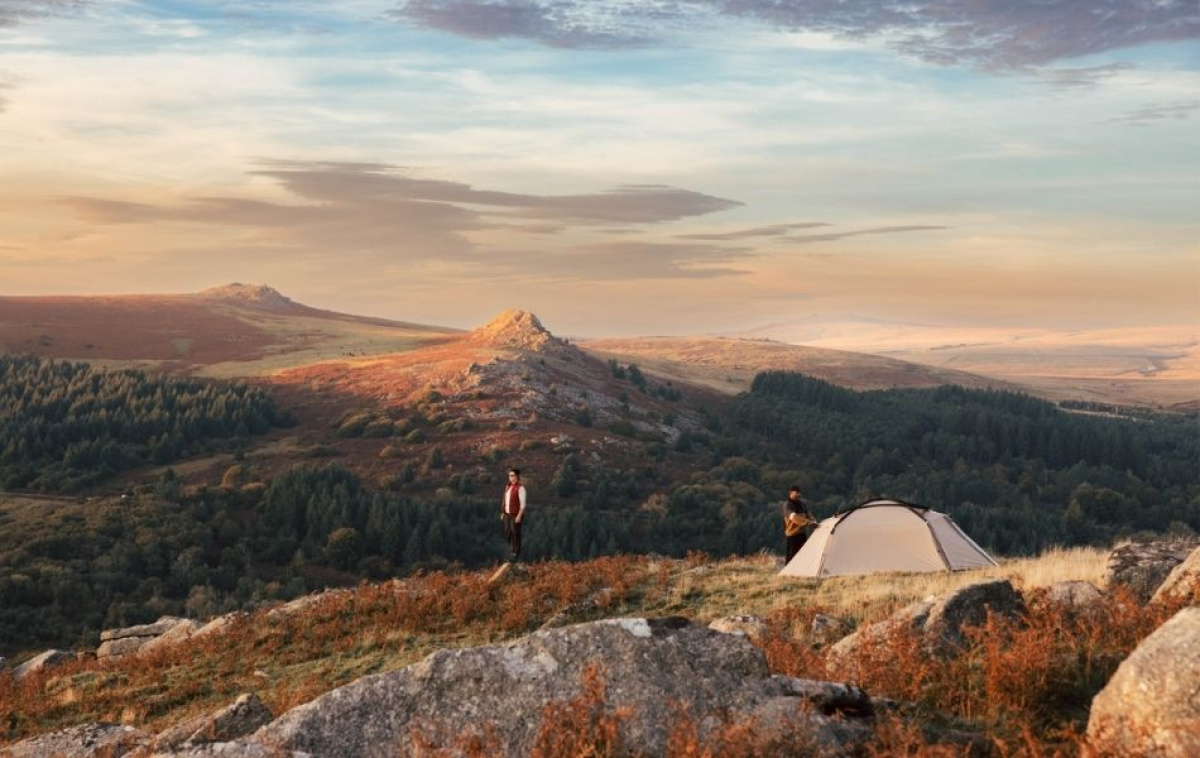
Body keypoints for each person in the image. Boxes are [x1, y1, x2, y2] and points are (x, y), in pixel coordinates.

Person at [501, 468, 527, 562]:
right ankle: (512, 550)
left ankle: (515, 553)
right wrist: (503, 512)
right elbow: (505, 501)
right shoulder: (507, 487)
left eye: (512, 475)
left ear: (517, 476)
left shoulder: (521, 488)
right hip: (507, 514)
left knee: (516, 533)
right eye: (509, 475)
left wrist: (519, 516)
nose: (510, 477)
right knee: (508, 533)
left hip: (515, 515)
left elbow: (523, 504)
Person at [782, 485, 812, 563]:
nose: (799, 494)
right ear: (791, 493)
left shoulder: (802, 504)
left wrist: (814, 521)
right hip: (792, 534)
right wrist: (808, 522)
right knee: (791, 555)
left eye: (799, 492)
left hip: (801, 533)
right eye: (797, 492)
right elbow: (793, 517)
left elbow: (808, 514)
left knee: (804, 553)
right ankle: (788, 572)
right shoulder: (787, 505)